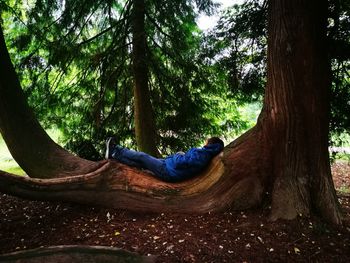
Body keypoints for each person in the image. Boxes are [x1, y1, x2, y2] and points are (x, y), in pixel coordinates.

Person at [105, 137, 224, 182]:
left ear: (210, 143)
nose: (205, 141)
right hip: (167, 165)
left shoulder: (203, 155)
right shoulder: (204, 154)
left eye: (207, 140)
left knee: (142, 156)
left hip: (168, 171)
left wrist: (178, 153)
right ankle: (115, 155)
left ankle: (116, 150)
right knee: (141, 163)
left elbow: (180, 162)